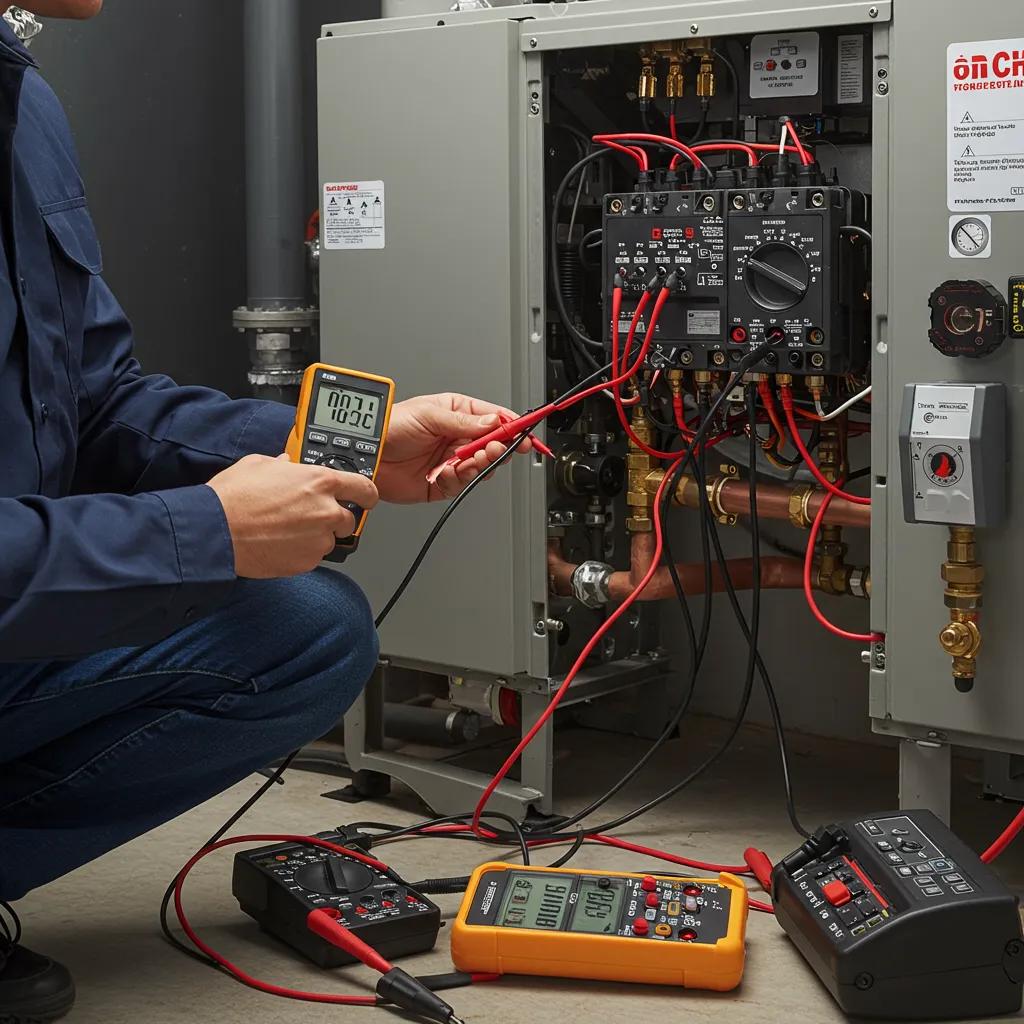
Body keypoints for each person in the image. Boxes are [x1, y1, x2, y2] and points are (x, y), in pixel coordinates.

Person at [0, 4, 530, 1020]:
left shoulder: (23, 106)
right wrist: (199, 532)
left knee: (305, 628)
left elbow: (101, 399)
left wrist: (341, 445)